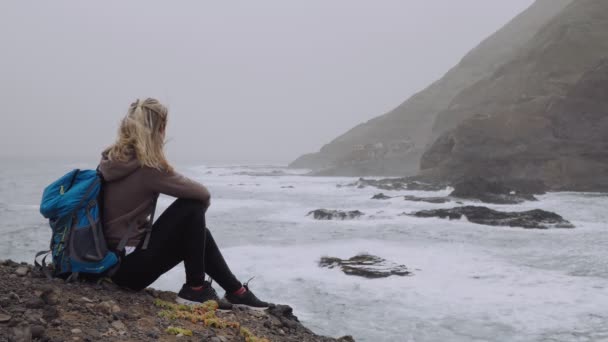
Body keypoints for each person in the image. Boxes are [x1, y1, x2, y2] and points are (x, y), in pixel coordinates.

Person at [98, 98, 269, 310]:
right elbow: (201, 194)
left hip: (108, 264)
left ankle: (236, 292)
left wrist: (192, 229)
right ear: (159, 129)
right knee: (192, 207)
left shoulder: (110, 161)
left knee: (197, 230)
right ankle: (196, 288)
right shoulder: (148, 167)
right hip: (126, 272)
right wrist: (193, 224)